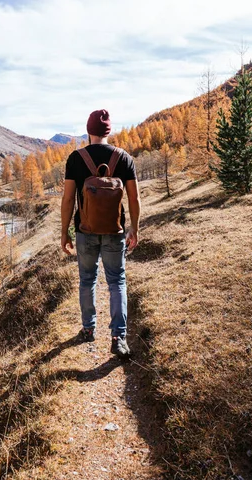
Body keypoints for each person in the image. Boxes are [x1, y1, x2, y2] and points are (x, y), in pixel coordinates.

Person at [61, 109, 141, 358]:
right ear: (109, 131)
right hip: (115, 231)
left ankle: (88, 328)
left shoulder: (75, 158)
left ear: (89, 130)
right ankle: (118, 337)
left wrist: (65, 232)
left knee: (87, 279)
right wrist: (134, 228)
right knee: (117, 281)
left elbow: (67, 200)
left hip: (85, 232)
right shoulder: (124, 158)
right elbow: (134, 197)